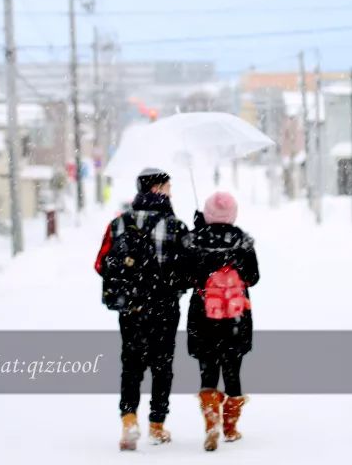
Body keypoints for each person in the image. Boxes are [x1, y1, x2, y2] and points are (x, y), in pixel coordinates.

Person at [94, 167, 192, 451]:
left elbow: (101, 264)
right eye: (168, 186)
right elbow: (189, 270)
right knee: (162, 364)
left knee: (131, 363)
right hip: (165, 305)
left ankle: (128, 421)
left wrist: (131, 282)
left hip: (131, 306)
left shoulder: (119, 224)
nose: (170, 191)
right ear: (158, 189)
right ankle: (157, 425)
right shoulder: (176, 226)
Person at [186, 191, 260, 452]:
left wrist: (198, 235)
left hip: (204, 314)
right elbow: (253, 277)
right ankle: (230, 427)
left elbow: (186, 277)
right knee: (232, 370)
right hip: (235, 316)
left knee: (208, 370)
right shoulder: (242, 240)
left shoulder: (195, 240)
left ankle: (210, 424)